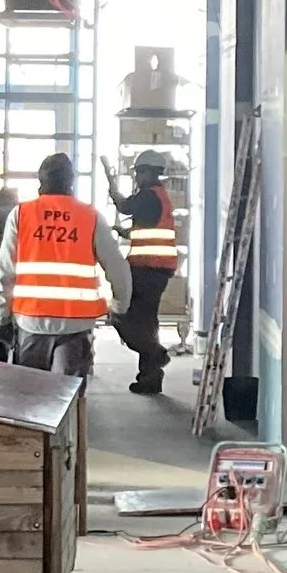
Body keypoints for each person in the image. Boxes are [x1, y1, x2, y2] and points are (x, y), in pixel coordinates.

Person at [0, 151, 130, 381]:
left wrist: (2, 317)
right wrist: (119, 306)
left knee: (28, 397)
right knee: (67, 399)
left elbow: (5, 272)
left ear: (41, 181)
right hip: (75, 325)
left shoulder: (21, 215)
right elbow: (118, 269)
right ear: (71, 182)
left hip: (31, 321)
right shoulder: (90, 216)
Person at [112, 150, 180, 395]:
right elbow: (147, 229)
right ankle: (150, 379)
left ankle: (156, 355)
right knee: (146, 323)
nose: (137, 176)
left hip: (148, 269)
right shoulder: (157, 197)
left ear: (151, 172)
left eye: (140, 171)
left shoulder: (148, 196)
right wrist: (125, 234)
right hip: (155, 269)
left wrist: (113, 192)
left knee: (125, 318)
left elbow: (125, 206)